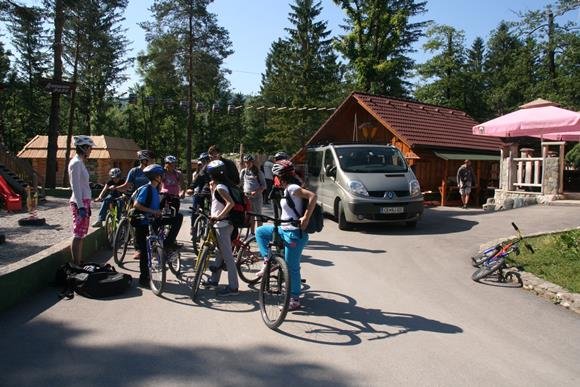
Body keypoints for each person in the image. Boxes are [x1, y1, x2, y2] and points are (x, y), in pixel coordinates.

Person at [255, 160, 317, 311]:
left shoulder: (292, 188)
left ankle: (295, 299)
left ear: (279, 176)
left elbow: (313, 196)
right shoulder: (286, 188)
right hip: (283, 229)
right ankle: (268, 261)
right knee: (260, 232)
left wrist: (305, 218)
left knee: (291, 268)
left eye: (275, 176)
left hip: (294, 234)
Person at [132, 163, 182, 287]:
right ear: (156, 177)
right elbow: (136, 205)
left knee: (178, 217)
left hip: (152, 220)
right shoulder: (147, 188)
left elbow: (155, 206)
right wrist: (154, 212)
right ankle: (144, 278)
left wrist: (161, 209)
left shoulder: (155, 190)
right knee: (144, 252)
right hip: (142, 222)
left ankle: (167, 244)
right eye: (161, 175)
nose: (162, 177)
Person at [202, 159, 240, 296]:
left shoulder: (220, 187)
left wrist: (219, 217)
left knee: (228, 257)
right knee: (220, 252)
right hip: (224, 224)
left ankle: (233, 287)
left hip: (222, 225)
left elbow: (230, 204)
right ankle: (214, 280)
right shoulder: (221, 185)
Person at [68, 135, 95, 264]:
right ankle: (75, 264)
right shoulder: (76, 163)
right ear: (84, 148)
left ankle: (79, 260)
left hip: (84, 201)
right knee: (77, 234)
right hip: (80, 202)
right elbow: (76, 187)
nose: (91, 150)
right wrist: (81, 206)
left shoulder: (80, 162)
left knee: (82, 234)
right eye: (90, 148)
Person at [240, 154, 266, 231]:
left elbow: (264, 186)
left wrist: (256, 192)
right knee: (250, 216)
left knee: (258, 216)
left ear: (252, 162)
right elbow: (240, 183)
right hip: (247, 197)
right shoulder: (243, 171)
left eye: (249, 162)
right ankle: (252, 233)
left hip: (257, 197)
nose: (247, 164)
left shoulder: (258, 172)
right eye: (245, 162)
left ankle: (259, 233)